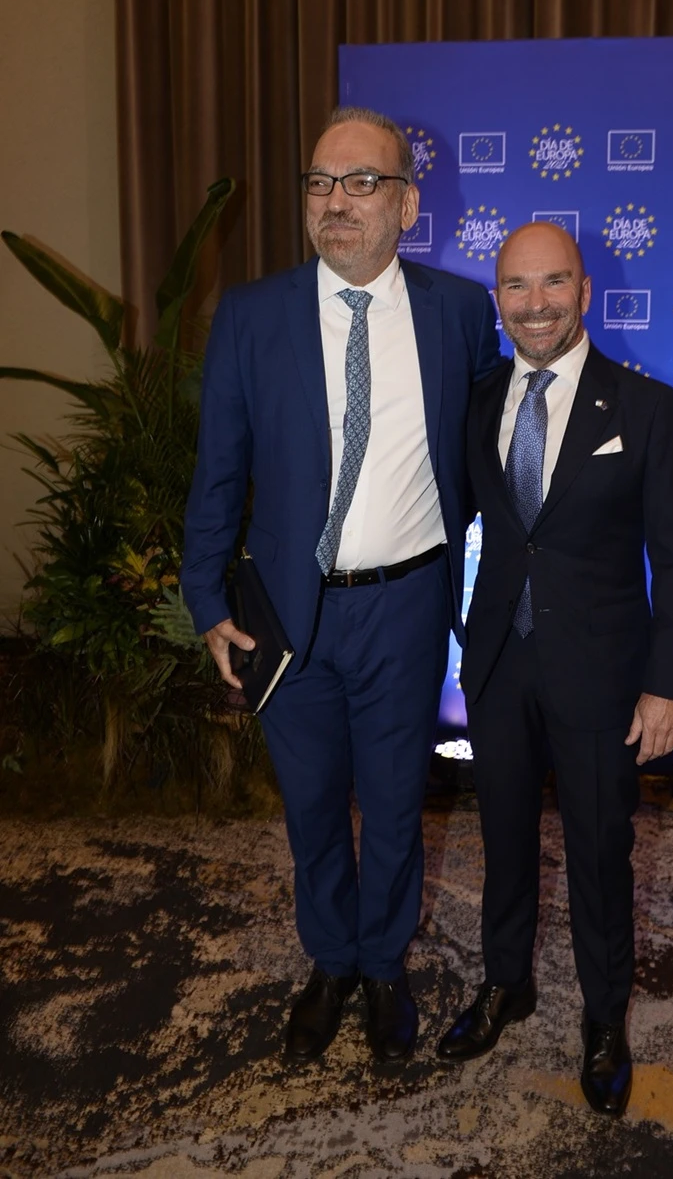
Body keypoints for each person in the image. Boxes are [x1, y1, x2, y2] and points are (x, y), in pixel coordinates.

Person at [180, 107, 501, 1065]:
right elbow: (218, 473)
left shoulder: (458, 313)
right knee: (313, 804)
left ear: (406, 204)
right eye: (320, 182)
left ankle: (383, 966)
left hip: (406, 605)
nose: (336, 202)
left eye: (362, 182)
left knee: (397, 803)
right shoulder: (252, 316)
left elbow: (488, 451)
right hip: (288, 613)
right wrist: (208, 604)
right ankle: (331, 963)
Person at [437, 222, 673, 1116]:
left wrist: (667, 685)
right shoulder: (477, 400)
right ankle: (504, 985)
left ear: (584, 292)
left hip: (602, 675)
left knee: (598, 853)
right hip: (498, 664)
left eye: (553, 283)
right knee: (502, 839)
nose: (535, 304)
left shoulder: (647, 408)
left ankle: (601, 1021)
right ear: (498, 299)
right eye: (516, 286)